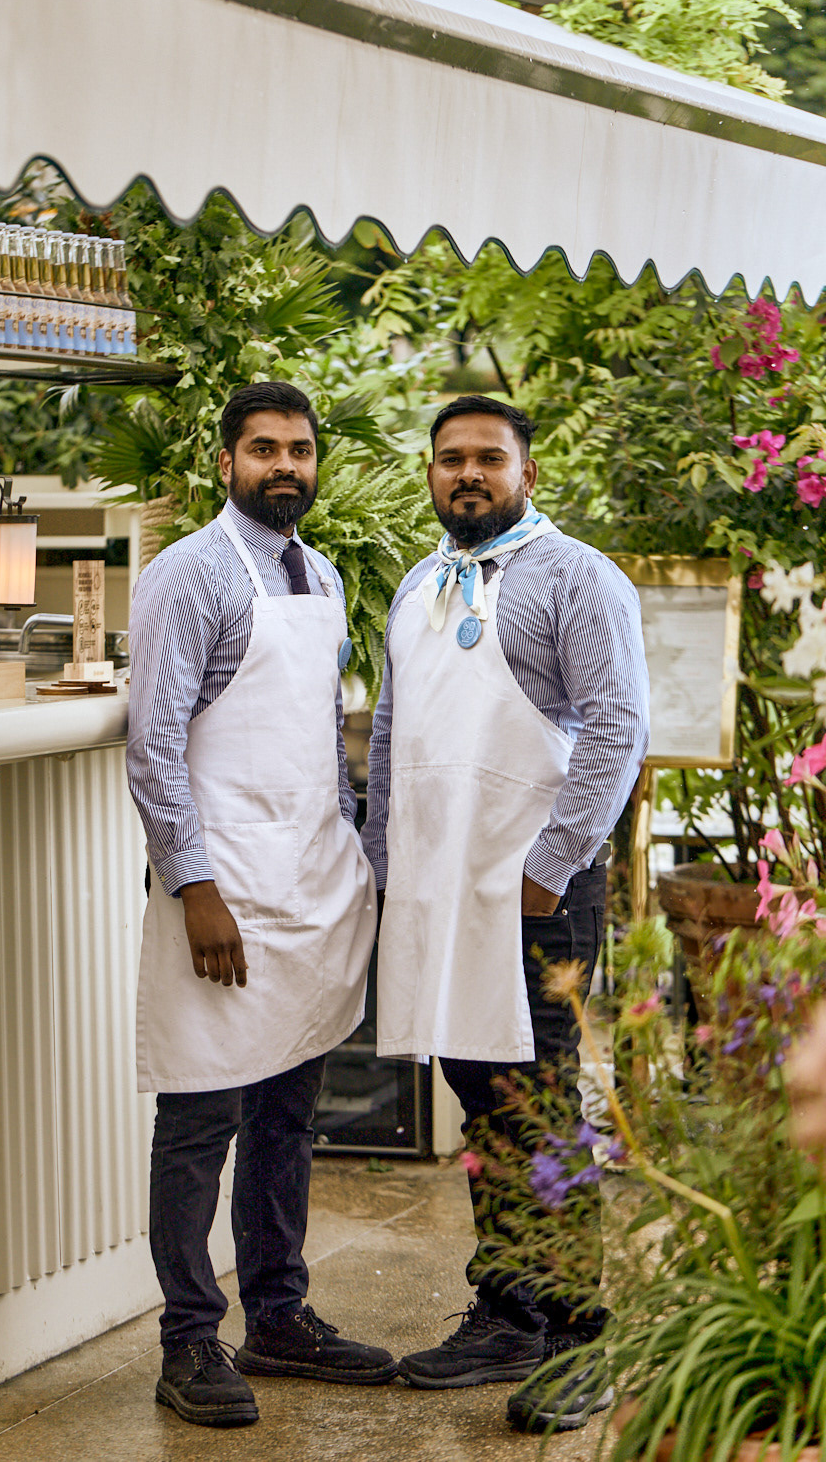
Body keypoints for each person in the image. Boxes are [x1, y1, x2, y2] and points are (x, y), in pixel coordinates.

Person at [362, 395, 649, 1432]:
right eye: (451, 459)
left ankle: (580, 1334)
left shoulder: (578, 577)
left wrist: (552, 865)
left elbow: (617, 726)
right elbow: (391, 730)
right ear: (430, 474)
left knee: (538, 1102)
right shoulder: (419, 585)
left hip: (534, 890)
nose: (469, 474)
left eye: (489, 458)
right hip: (438, 886)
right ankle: (509, 1309)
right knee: (478, 1090)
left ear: (528, 473)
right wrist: (385, 862)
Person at [127, 380, 396, 1429]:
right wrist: (194, 888)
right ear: (227, 461)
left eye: (299, 449)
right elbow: (154, 746)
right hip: (224, 891)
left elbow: (321, 731)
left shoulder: (318, 573)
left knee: (289, 1113)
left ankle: (277, 1316)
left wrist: (350, 855)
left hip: (310, 886)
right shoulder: (189, 574)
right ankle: (189, 1339)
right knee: (201, 1114)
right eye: (264, 448)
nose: (285, 464)